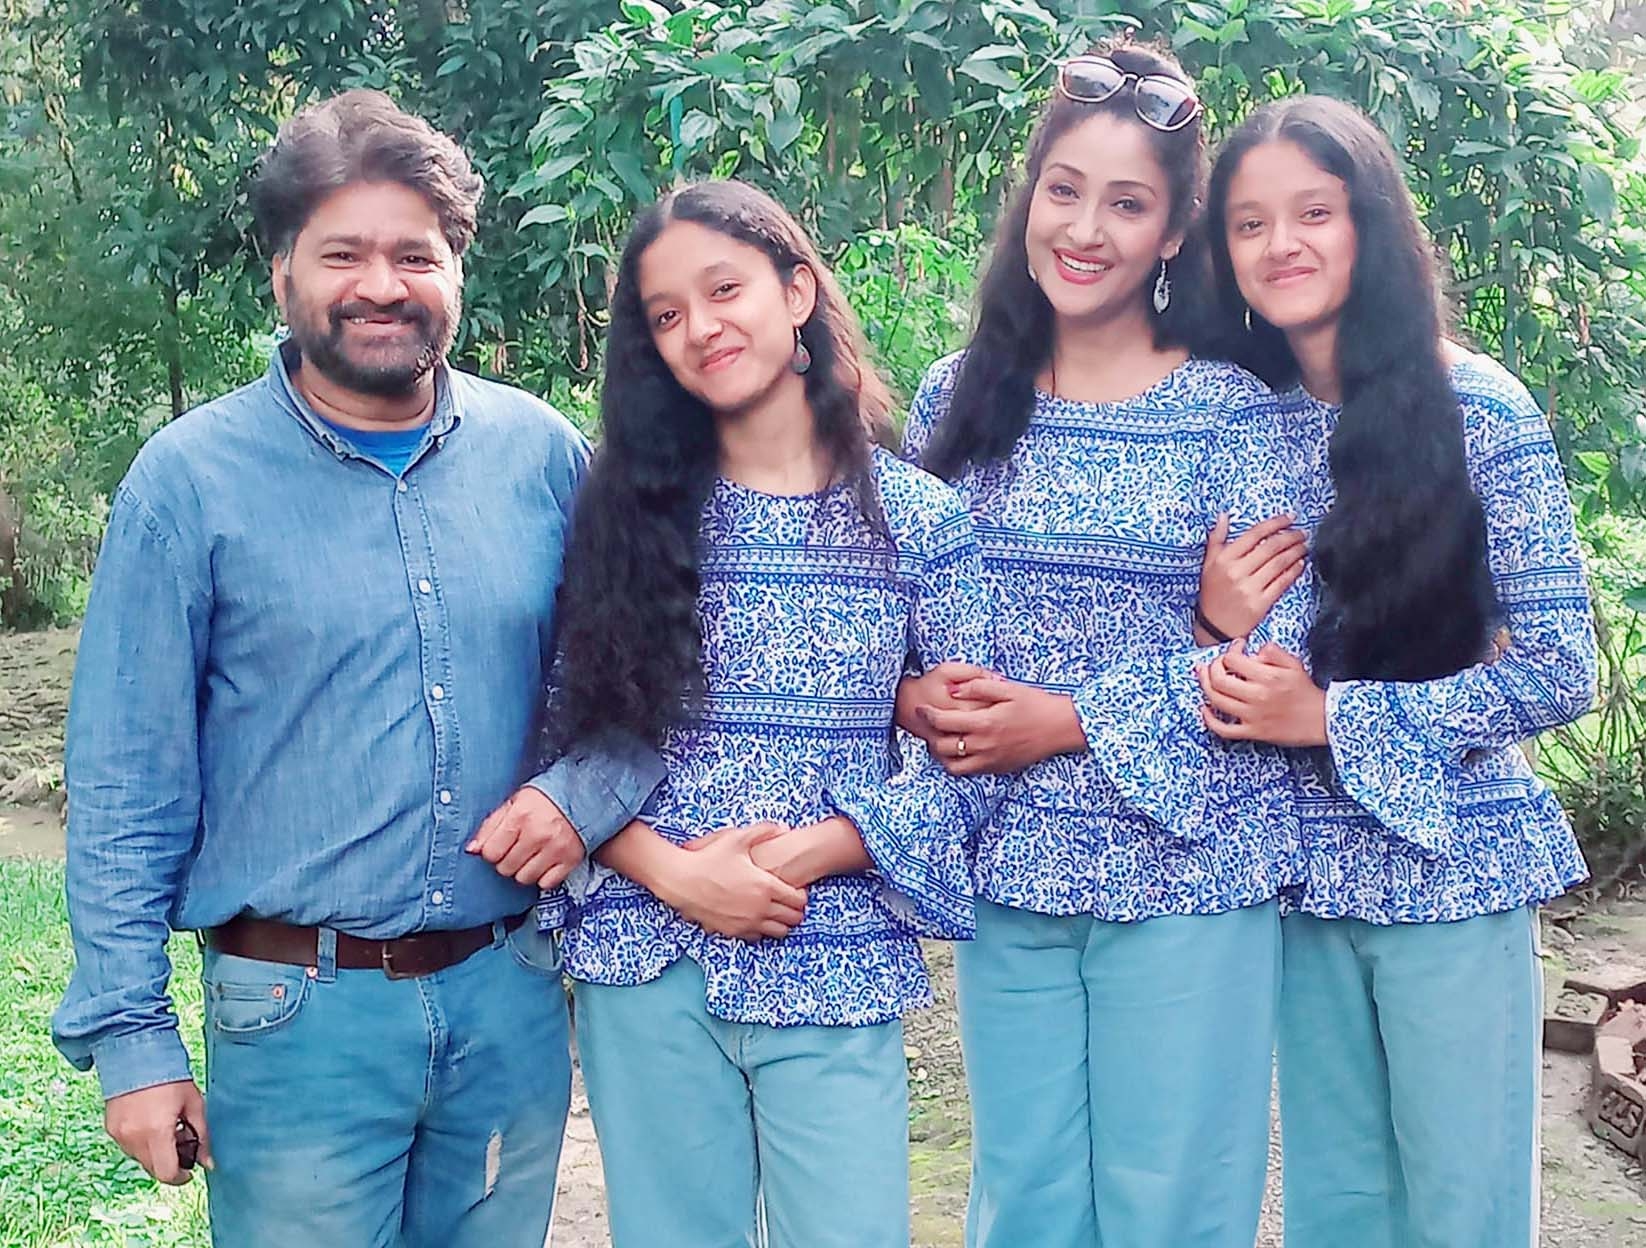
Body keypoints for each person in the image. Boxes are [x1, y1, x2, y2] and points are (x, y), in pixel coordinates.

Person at [50, 89, 661, 1247]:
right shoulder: (189, 484)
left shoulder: (538, 456)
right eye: (343, 253)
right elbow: (127, 779)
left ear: (457, 272)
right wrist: (132, 1042)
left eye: (413, 255)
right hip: (295, 1021)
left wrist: (577, 803)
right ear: (282, 273)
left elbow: (634, 688)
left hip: (509, 1000)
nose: (381, 284)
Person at [897, 39, 1304, 1248]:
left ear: (1175, 229)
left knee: (1168, 1208)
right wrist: (914, 693)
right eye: (1062, 190)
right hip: (1006, 868)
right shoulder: (957, 398)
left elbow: (1272, 664)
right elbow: (898, 623)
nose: (1084, 228)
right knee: (1020, 1203)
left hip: (1190, 869)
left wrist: (1060, 718)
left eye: (1127, 202)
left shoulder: (1236, 411)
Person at [538, 179, 992, 1248]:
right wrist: (677, 874)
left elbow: (965, 762)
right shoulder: (623, 519)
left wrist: (812, 855)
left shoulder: (918, 520)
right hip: (645, 960)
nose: (698, 328)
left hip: (828, 953)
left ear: (795, 292)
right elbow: (568, 744)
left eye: (722, 289)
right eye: (663, 316)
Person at [1198, 94, 1597, 1248]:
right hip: (1301, 878)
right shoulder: (1244, 419)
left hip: (1453, 866)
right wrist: (1205, 621)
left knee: (1461, 1208)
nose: (1282, 246)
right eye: (1248, 224)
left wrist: (1332, 718)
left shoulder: (1477, 407)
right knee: (1337, 1210)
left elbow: (1561, 668)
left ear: (1368, 221)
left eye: (1313, 212)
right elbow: (1226, 651)